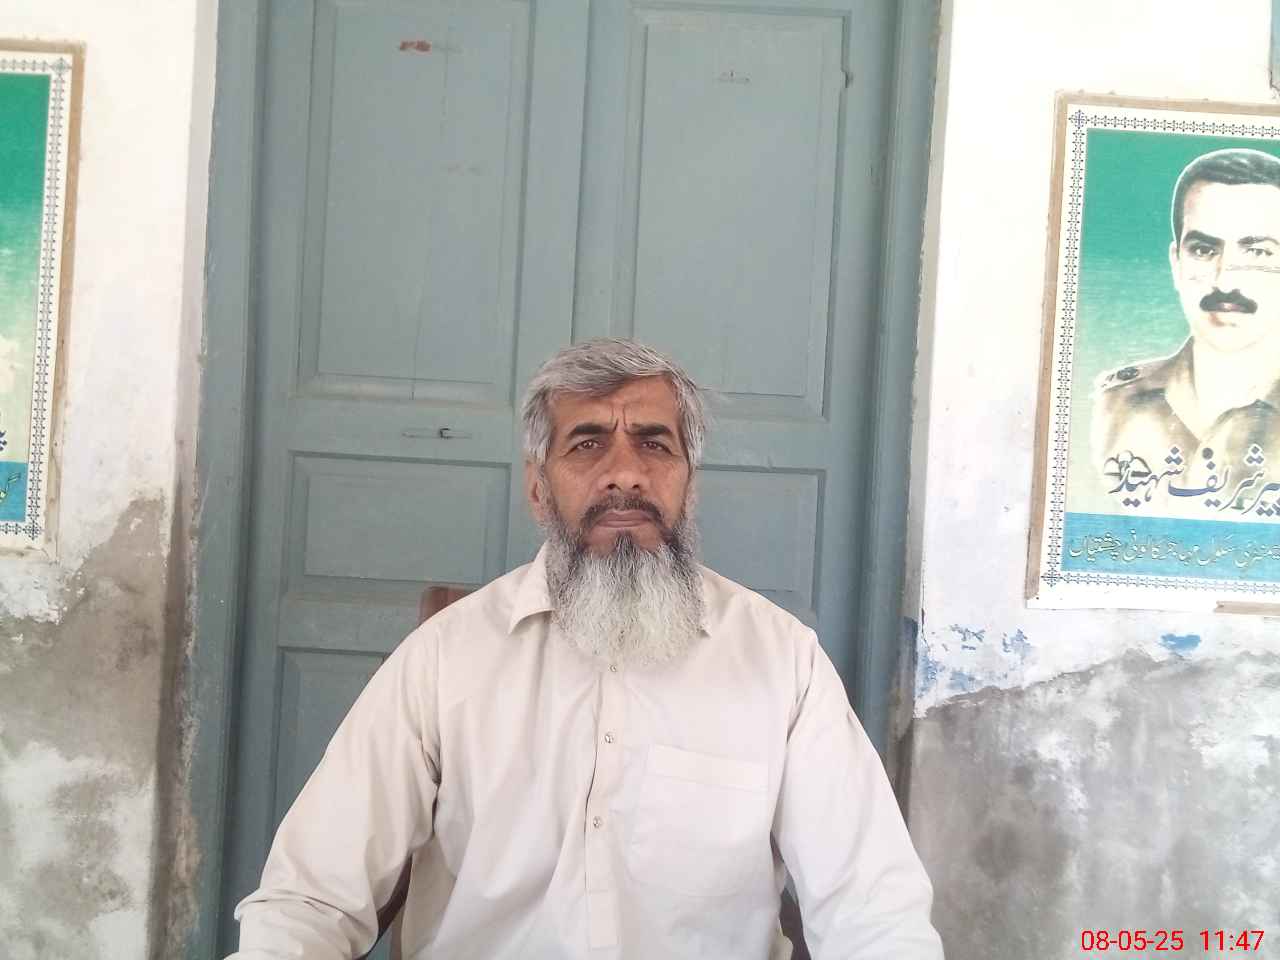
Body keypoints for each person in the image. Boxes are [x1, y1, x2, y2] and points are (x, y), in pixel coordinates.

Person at [228, 338, 943, 959]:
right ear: (539, 490)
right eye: (587, 443)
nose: (625, 472)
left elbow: (872, 907)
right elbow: (312, 898)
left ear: (689, 487)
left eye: (655, 444)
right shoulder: (444, 658)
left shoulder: (782, 662)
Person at [1093, 148, 1280, 509]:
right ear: (1176, 263)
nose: (1225, 281)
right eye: (1204, 250)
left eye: (1257, 252)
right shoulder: (1110, 405)